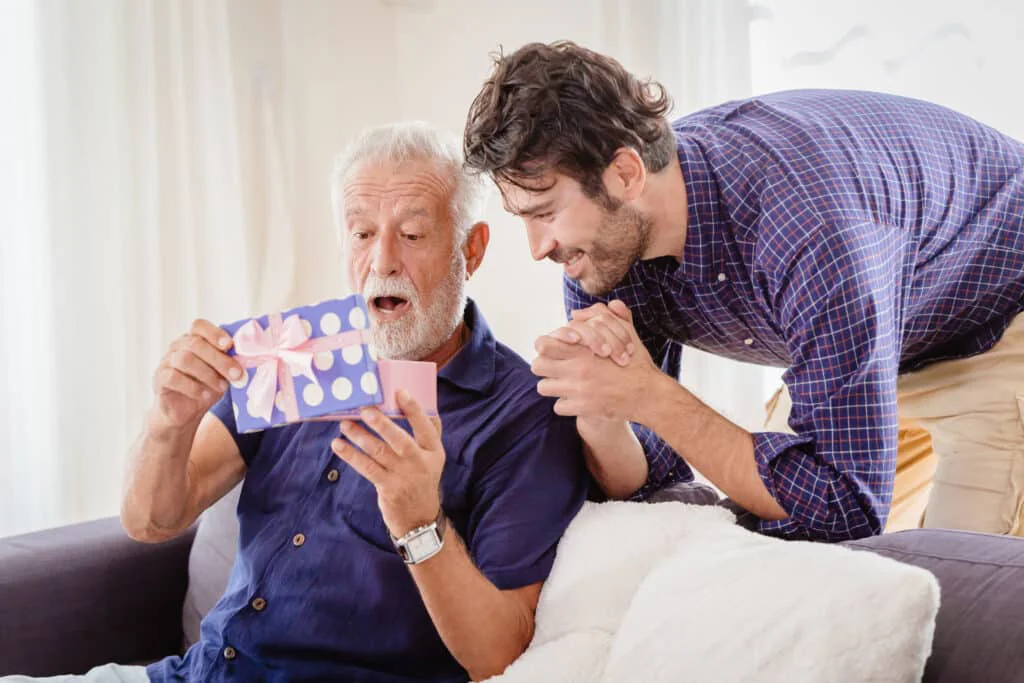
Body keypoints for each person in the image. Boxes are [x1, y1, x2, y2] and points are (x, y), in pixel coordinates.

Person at [5, 122, 587, 683]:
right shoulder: (293, 356)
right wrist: (168, 424)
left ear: (472, 250)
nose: (382, 261)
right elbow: (150, 521)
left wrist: (419, 521)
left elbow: (499, 657)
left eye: (411, 235)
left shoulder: (524, 415)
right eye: (361, 233)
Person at [462, 39, 1024, 542]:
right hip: (875, 340)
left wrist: (652, 396)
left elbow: (845, 503)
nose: (538, 247)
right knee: (764, 549)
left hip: (997, 329)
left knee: (950, 589)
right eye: (523, 219)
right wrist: (603, 415)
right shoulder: (605, 250)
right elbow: (651, 469)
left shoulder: (804, 228)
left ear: (626, 174)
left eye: (545, 213)